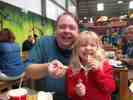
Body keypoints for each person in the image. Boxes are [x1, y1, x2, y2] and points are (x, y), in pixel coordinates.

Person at [25, 12, 79, 100]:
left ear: (78, 32)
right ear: (55, 30)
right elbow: (28, 70)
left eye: (72, 28)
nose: (67, 31)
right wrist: (47, 68)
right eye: (62, 27)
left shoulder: (83, 48)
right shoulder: (44, 43)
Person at [49, 31, 116, 100]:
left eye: (92, 45)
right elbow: (70, 93)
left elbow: (110, 88)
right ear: (76, 49)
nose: (88, 48)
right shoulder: (72, 69)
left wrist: (97, 72)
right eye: (83, 45)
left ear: (97, 48)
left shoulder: (105, 66)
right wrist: (77, 92)